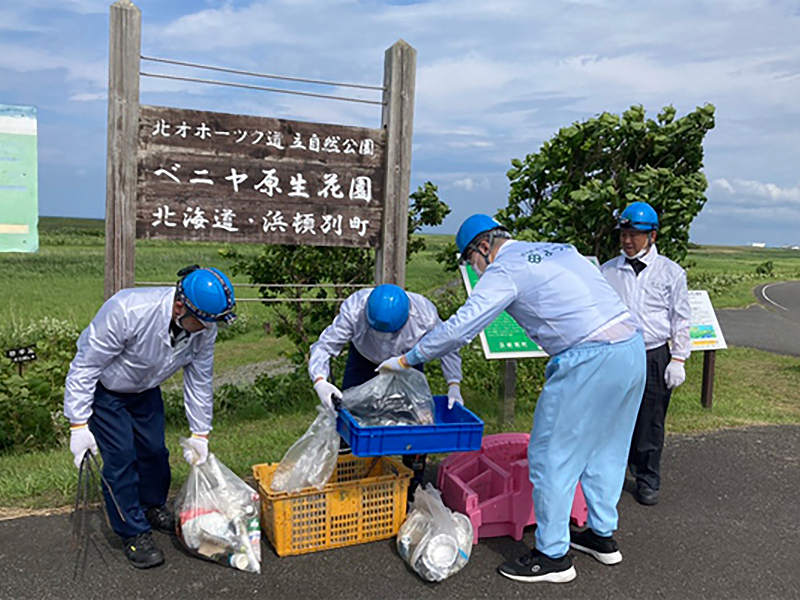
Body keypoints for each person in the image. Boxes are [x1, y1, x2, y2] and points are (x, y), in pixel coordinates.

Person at [377, 214, 646, 584]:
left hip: (589, 357)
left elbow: (461, 328)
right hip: (631, 349)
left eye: (472, 260)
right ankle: (601, 535)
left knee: (551, 454)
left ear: (484, 246)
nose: (475, 268)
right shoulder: (556, 249)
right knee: (608, 447)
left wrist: (409, 358)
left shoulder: (505, 268)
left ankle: (553, 557)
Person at [64, 265, 236, 569]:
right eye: (203, 322)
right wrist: (78, 424)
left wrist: (200, 433)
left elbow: (199, 378)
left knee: (155, 452)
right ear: (180, 306)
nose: (208, 330)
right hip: (108, 391)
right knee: (121, 458)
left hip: (146, 390)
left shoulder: (202, 328)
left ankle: (152, 506)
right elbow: (85, 366)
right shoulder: (127, 310)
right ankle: (133, 531)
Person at [308, 283, 463, 494]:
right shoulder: (354, 309)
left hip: (406, 363)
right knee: (351, 421)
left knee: (417, 423)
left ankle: (411, 487)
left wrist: (454, 383)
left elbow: (448, 345)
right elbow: (325, 345)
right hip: (364, 360)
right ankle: (352, 484)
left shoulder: (424, 315)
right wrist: (320, 381)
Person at [600, 201, 691, 506]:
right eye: (624, 233)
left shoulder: (671, 273)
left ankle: (647, 477)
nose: (628, 240)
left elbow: (681, 317)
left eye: (635, 234)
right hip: (617, 354)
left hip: (654, 353)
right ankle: (607, 476)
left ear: (652, 236)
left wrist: (678, 358)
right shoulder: (608, 270)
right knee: (612, 416)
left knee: (650, 420)